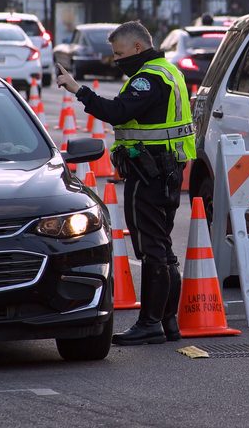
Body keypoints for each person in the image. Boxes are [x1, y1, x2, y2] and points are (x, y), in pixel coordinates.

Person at [56, 20, 195, 346]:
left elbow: (118, 112)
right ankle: (167, 322)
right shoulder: (168, 71)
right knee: (163, 247)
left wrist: (79, 90)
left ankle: (149, 323)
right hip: (168, 169)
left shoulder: (148, 78)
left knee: (152, 250)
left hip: (150, 172)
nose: (116, 60)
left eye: (119, 53)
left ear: (137, 47)